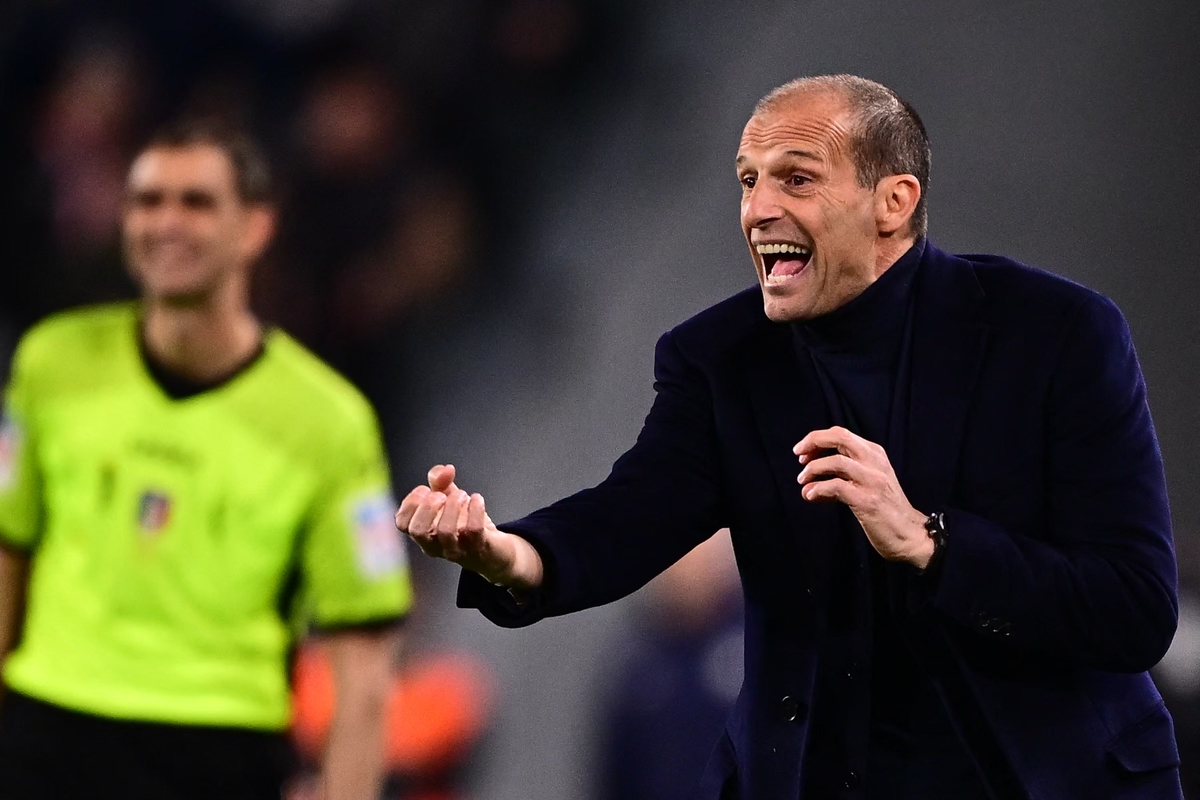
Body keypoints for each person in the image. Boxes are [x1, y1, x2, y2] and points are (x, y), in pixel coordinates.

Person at [395, 74, 1181, 799]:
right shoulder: (721, 360)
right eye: (748, 180)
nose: (757, 209)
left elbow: (1135, 608)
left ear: (893, 201)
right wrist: (507, 553)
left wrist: (931, 543)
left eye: (796, 179)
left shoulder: (1056, 334)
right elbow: (627, 515)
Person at [0, 119, 413, 800]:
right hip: (49, 731)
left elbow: (365, 654)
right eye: (148, 201)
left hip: (218, 748)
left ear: (255, 227)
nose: (167, 222)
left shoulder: (328, 423)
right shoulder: (53, 364)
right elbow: (8, 559)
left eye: (196, 202)